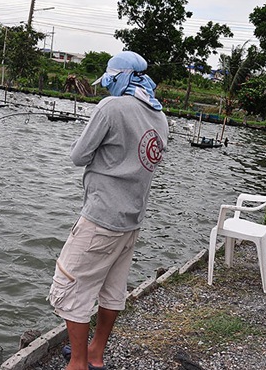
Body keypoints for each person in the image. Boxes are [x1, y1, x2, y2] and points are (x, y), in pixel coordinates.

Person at [48, 51, 169, 370]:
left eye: (109, 81)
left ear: (119, 79)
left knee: (71, 286)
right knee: (112, 290)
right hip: (131, 222)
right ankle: (95, 355)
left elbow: (78, 156)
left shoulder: (111, 107)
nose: (105, 88)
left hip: (101, 218)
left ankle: (77, 363)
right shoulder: (159, 116)